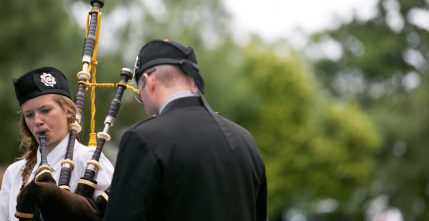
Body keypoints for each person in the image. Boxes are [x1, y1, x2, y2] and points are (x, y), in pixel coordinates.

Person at [104, 39, 267, 221]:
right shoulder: (246, 140)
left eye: (139, 96)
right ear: (193, 83)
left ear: (149, 82)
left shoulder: (143, 138)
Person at [0, 66, 114, 221]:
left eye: (46, 110)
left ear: (68, 111)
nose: (37, 121)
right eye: (29, 115)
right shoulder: (14, 173)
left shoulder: (88, 160)